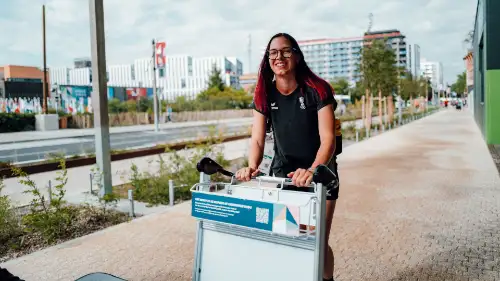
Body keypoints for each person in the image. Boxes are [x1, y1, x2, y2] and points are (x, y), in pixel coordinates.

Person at [235, 32, 340, 281]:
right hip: (284, 175)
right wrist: (251, 166)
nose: (278, 56)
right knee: (287, 235)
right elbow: (258, 139)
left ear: (296, 55)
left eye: (285, 51)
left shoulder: (317, 89)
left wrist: (313, 170)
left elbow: (328, 140)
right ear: (267, 58)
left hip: (320, 174)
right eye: (273, 52)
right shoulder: (264, 94)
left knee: (316, 240)